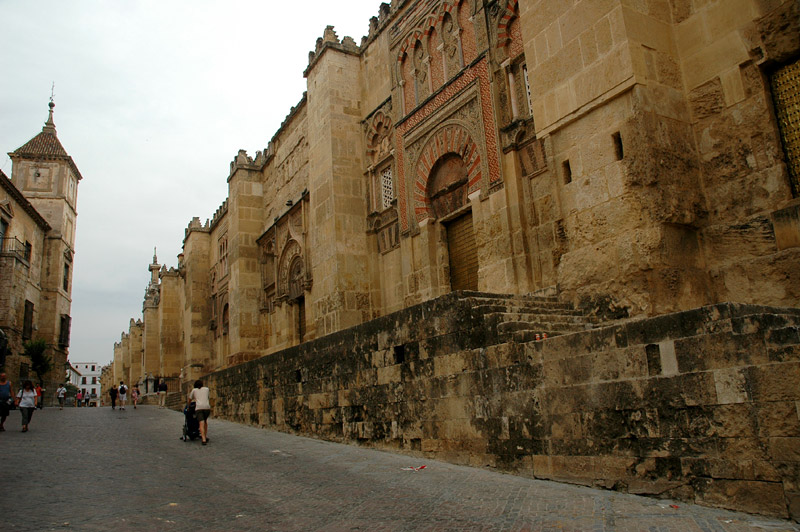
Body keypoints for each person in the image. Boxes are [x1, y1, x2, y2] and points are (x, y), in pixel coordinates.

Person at [188, 380, 211, 445]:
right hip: (207, 407)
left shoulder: (194, 390)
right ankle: (205, 436)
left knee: (201, 423)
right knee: (205, 421)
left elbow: (190, 399)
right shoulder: (206, 389)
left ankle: (203, 439)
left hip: (199, 408)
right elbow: (207, 397)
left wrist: (188, 406)